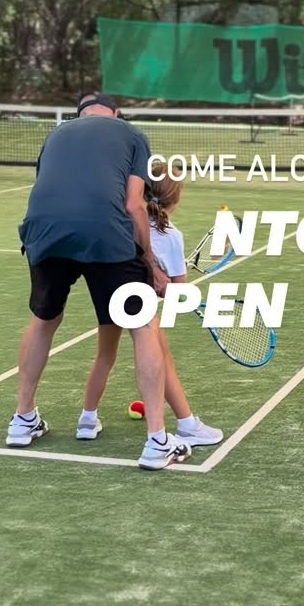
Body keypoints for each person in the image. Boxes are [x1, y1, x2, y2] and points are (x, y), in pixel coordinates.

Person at [7, 92, 189, 471]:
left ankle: (22, 419)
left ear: (78, 114)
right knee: (142, 326)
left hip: (44, 230)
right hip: (106, 232)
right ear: (116, 114)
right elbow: (133, 204)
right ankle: (157, 440)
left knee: (44, 320)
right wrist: (149, 261)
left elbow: (49, 188)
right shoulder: (133, 134)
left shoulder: (56, 135)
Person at [78, 160, 223, 446]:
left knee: (104, 356)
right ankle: (186, 424)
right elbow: (177, 292)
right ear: (177, 197)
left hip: (108, 292)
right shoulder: (172, 237)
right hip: (138, 304)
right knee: (161, 358)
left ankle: (87, 419)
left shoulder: (120, 223)